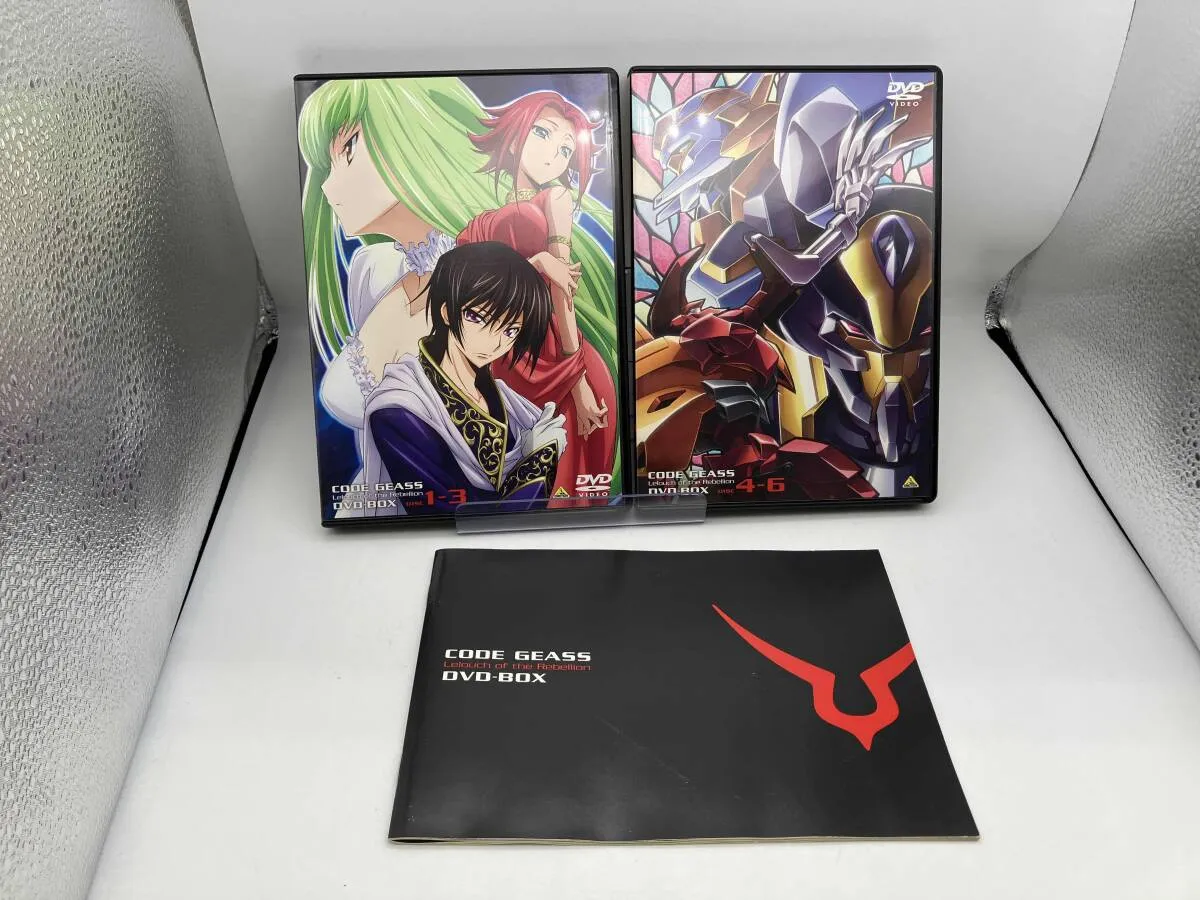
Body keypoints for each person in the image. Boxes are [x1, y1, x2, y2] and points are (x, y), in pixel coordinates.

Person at [296, 78, 589, 512]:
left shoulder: (480, 283)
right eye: (331, 160)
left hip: (458, 507)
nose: (326, 186)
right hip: (375, 510)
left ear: (411, 142)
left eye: (351, 150)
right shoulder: (372, 270)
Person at [458, 91, 619, 501]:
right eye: (543, 134)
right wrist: (536, 263)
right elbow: (467, 289)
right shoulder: (480, 221)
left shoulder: (556, 198)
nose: (554, 156)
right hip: (502, 354)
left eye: (566, 150)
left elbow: (562, 295)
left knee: (562, 488)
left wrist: (578, 382)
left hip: (553, 355)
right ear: (515, 136)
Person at [364, 242, 567, 515]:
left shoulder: (509, 404)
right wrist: (538, 458)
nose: (494, 342)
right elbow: (451, 515)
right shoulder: (399, 411)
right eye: (478, 318)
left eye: (511, 330)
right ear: (447, 312)